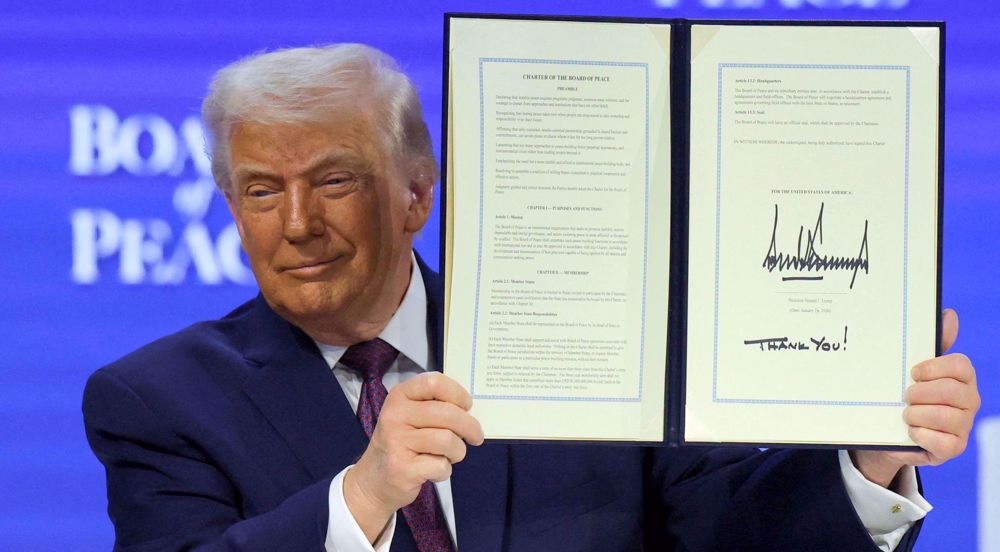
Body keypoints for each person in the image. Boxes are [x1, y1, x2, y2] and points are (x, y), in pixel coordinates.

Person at [83, 44, 980, 552]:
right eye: (260, 191)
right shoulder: (157, 401)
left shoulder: (587, 337)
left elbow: (728, 530)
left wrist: (867, 459)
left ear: (417, 194)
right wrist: (364, 495)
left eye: (334, 180)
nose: (297, 224)